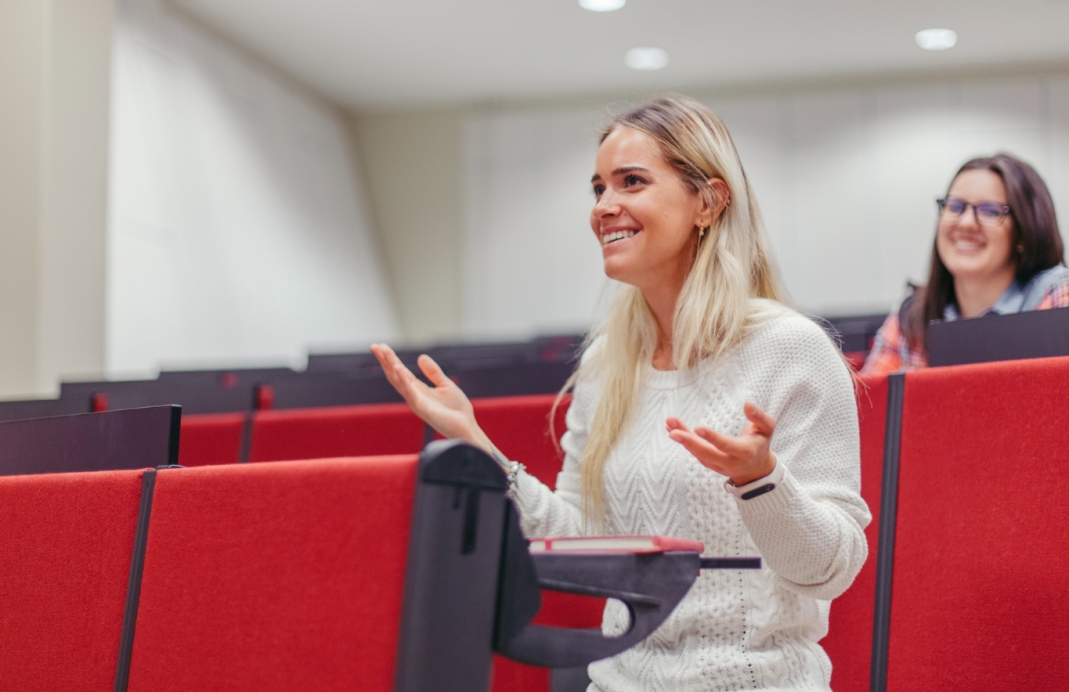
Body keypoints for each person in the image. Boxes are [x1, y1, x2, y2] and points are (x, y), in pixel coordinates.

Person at [371, 96, 869, 691]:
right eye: (598, 188)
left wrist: (759, 480)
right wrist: (478, 447)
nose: (605, 208)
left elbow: (831, 570)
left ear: (708, 201)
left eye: (631, 182)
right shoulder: (610, 360)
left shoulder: (791, 349)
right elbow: (582, 540)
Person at [862, 154, 1068, 375]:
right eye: (955, 206)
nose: (966, 223)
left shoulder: (1056, 295)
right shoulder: (912, 314)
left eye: (990, 211)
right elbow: (872, 404)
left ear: (1023, 233)